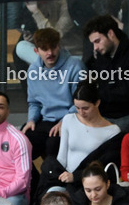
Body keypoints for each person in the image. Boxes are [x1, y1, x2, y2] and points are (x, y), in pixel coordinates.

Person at [41, 81, 121, 195]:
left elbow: (104, 165)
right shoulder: (69, 119)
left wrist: (76, 177)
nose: (81, 112)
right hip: (65, 177)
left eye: (85, 108)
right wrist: (59, 177)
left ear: (97, 103)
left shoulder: (112, 131)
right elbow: (62, 156)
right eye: (77, 108)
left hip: (90, 183)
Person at [21, 27, 84, 161]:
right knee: (21, 144)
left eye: (53, 47)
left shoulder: (75, 65)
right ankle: (32, 181)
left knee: (53, 145)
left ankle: (53, 181)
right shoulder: (33, 70)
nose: (50, 53)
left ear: (59, 46)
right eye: (45, 49)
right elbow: (34, 103)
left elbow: (81, 101)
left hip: (71, 119)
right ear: (36, 51)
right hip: (45, 120)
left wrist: (65, 121)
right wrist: (31, 120)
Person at [82, 15, 129, 133]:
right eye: (93, 43)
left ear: (110, 33)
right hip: (103, 115)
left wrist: (102, 94)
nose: (95, 48)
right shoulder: (99, 59)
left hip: (127, 115)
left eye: (97, 41)